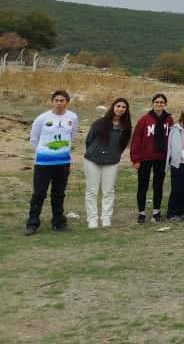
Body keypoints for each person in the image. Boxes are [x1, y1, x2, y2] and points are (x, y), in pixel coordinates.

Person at [25, 90, 78, 236]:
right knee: (39, 193)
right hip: (43, 163)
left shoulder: (72, 117)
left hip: (63, 162)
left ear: (67, 102)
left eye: (62, 100)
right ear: (52, 101)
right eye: (57, 100)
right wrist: (44, 153)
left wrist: (63, 150)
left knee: (59, 193)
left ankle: (58, 222)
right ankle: (32, 223)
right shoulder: (42, 118)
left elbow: (72, 136)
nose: (59, 103)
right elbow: (34, 139)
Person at [83, 98, 131, 229]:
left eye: (123, 107)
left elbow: (123, 144)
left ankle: (106, 218)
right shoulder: (99, 123)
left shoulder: (125, 127)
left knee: (108, 190)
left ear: (126, 110)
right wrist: (95, 152)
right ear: (113, 107)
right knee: (92, 190)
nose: (120, 109)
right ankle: (92, 219)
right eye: (118, 106)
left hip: (112, 161)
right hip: (93, 160)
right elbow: (89, 140)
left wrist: (113, 154)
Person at [130, 93, 171, 225]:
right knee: (143, 185)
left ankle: (156, 211)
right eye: (157, 102)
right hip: (145, 157)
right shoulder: (144, 119)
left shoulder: (168, 119)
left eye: (161, 102)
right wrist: (135, 159)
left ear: (165, 104)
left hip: (161, 157)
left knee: (158, 185)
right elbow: (136, 140)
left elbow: (172, 138)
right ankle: (141, 212)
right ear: (153, 104)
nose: (159, 104)